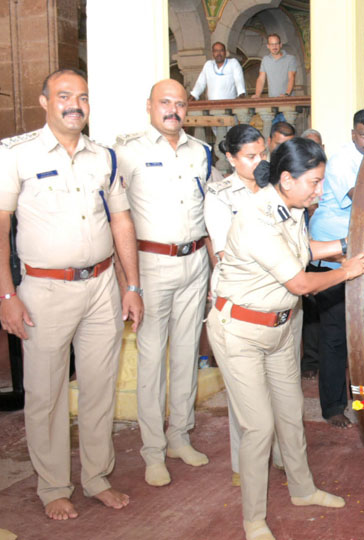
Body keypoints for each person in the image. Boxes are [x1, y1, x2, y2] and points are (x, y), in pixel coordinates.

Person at [206, 138, 364, 540]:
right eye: (313, 183)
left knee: (291, 412)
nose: (319, 190)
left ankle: (302, 490)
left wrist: (346, 247)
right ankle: (254, 521)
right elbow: (299, 281)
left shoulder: (291, 207)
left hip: (279, 329)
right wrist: (347, 270)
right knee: (259, 427)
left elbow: (302, 250)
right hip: (240, 332)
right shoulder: (256, 217)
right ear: (286, 179)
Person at [0, 68, 143, 520]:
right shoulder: (15, 155)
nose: (74, 104)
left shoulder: (103, 157)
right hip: (43, 290)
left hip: (102, 287)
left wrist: (131, 285)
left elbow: (121, 221)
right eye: (64, 96)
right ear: (44, 101)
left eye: (81, 97)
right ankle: (53, 486)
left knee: (100, 389)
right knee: (45, 394)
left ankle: (97, 477)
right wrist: (6, 296)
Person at [115, 79, 214, 487]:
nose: (173, 110)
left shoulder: (202, 152)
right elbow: (115, 218)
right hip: (151, 264)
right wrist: (128, 283)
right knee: (152, 359)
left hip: (195, 264)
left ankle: (179, 436)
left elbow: (213, 210)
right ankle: (153, 450)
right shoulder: (126, 152)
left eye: (180, 103)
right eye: (165, 102)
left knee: (186, 353)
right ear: (149, 106)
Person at [204, 124, 284, 487]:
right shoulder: (220, 194)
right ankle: (244, 465)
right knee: (244, 392)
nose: (259, 162)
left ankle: (283, 454)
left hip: (281, 295)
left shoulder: (276, 189)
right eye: (250, 157)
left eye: (263, 154)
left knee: (281, 386)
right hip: (241, 297)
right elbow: (225, 251)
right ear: (231, 158)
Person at [302, 109, 364, 426]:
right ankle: (333, 407)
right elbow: (361, 199)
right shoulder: (339, 160)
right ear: (353, 134)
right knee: (336, 336)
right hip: (332, 258)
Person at [254, 34, 297, 98]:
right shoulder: (265, 60)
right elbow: (261, 79)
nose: (274, 47)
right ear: (268, 46)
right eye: (272, 44)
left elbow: (291, 77)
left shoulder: (290, 59)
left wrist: (287, 94)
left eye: (276, 44)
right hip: (272, 100)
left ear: (280, 45)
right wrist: (257, 95)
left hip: (288, 100)